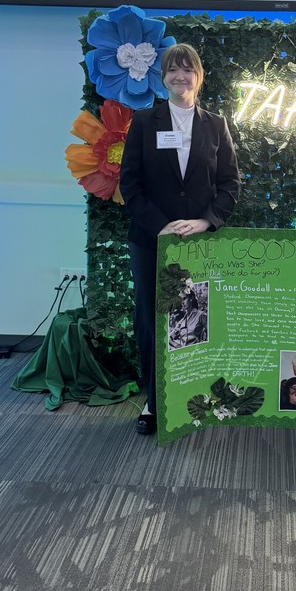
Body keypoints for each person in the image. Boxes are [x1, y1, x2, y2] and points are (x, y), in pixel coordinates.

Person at [119, 44, 240, 434]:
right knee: (153, 321)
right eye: (173, 70)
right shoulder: (143, 121)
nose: (180, 76)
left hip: (199, 243)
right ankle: (154, 404)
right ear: (163, 77)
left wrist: (207, 221)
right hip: (151, 239)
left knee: (193, 321)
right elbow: (130, 185)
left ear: (198, 76)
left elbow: (229, 184)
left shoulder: (216, 125)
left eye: (187, 70)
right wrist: (161, 226)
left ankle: (192, 399)